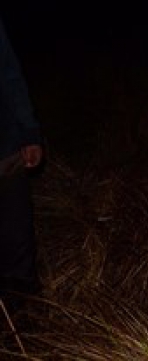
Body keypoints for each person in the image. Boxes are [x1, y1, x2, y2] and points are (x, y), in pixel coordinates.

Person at [0, 16, 43, 312]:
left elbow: (10, 75)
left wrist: (29, 133)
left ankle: (29, 317)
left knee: (17, 234)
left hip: (5, 150)